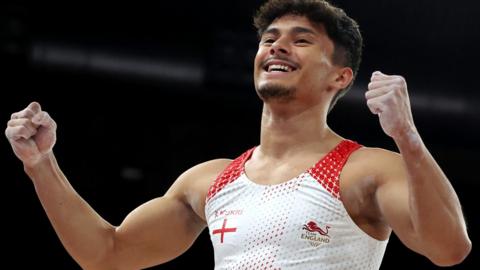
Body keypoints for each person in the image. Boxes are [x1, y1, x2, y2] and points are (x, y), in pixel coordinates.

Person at [5, 0, 471, 269]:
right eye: (269, 38)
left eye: (301, 39)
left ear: (340, 78)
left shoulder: (365, 168)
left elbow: (449, 249)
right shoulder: (210, 181)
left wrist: (407, 138)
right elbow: (106, 254)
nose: (277, 45)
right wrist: (41, 165)